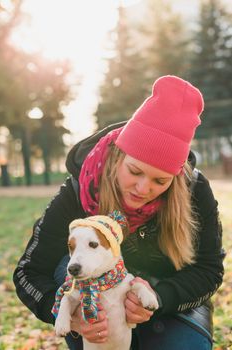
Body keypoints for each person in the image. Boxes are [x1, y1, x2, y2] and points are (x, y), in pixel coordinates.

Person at [13, 75, 224, 350]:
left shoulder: (196, 190)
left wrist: (160, 298)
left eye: (160, 181)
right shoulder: (77, 191)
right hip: (94, 306)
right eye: (135, 171)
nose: (143, 188)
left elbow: (209, 270)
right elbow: (28, 272)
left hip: (169, 306)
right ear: (118, 156)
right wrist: (66, 312)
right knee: (70, 261)